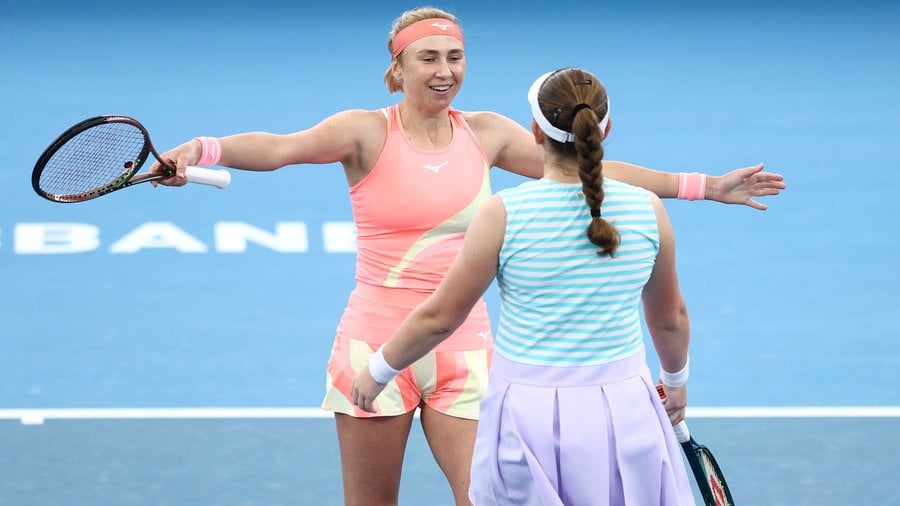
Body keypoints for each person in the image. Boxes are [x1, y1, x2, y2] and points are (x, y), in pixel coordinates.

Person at [151, 7, 782, 505]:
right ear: (397, 68)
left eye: (455, 57)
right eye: (428, 58)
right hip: (374, 341)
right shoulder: (364, 131)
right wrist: (201, 150)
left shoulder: (486, 133)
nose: (444, 71)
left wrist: (703, 186)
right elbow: (279, 148)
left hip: (466, 351)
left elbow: (590, 167)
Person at [351, 66, 696, 505]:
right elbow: (670, 319)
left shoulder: (504, 213)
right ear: (605, 129)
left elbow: (441, 317)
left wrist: (379, 370)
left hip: (528, 417)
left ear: (535, 131)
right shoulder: (648, 209)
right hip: (626, 410)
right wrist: (675, 382)